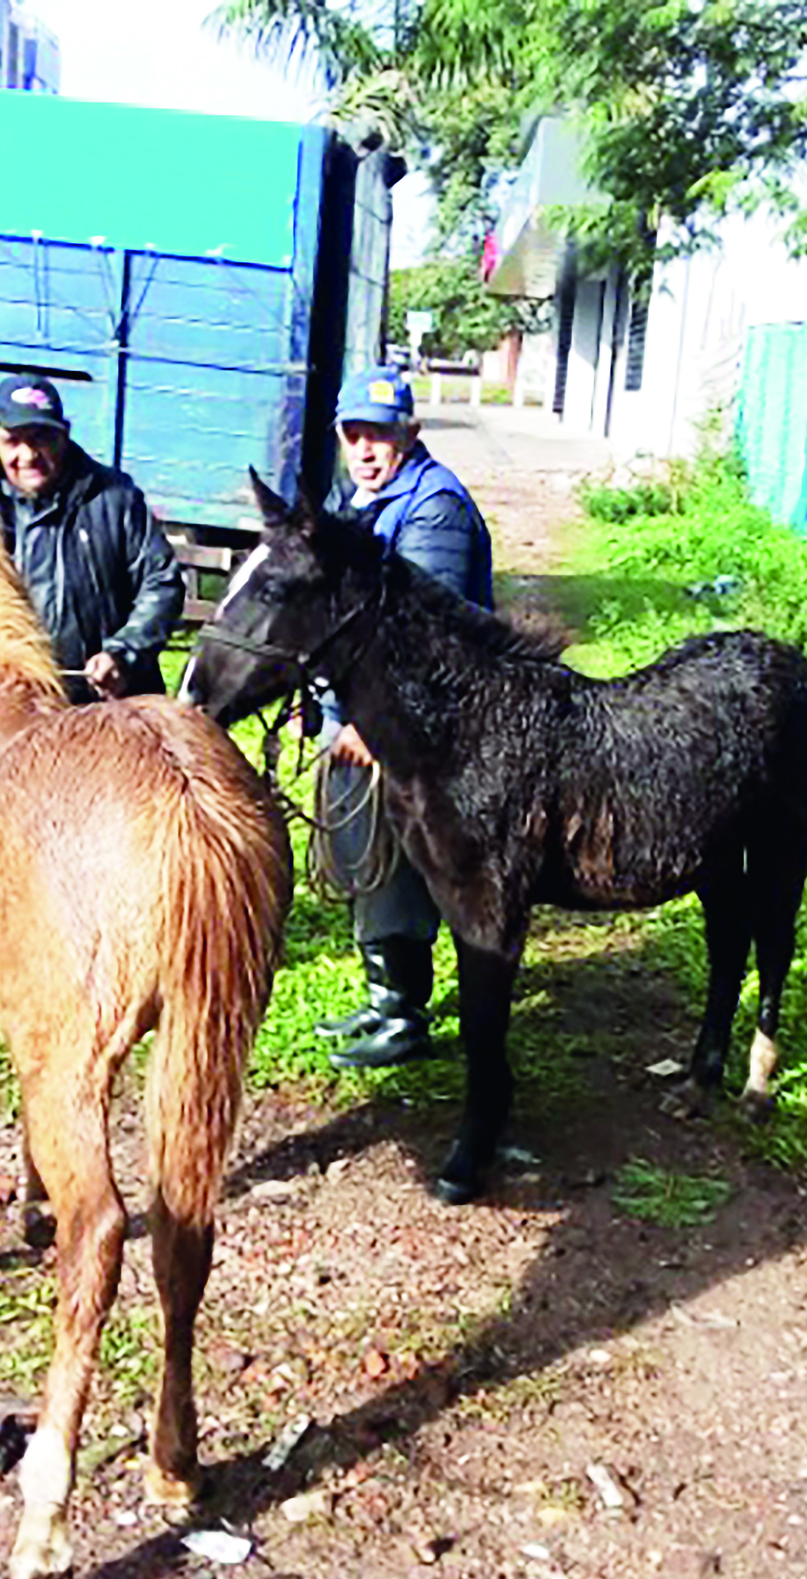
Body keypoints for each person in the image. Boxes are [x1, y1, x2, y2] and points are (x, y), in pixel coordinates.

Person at [315, 364, 494, 1068]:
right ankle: (379, 993)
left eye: (380, 435)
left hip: (412, 723)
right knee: (362, 851)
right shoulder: (353, 498)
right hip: (354, 710)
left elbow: (424, 633)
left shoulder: (434, 507)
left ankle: (404, 1014)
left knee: (400, 862)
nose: (365, 449)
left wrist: (373, 720)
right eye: (354, 433)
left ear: (409, 435)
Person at [0, 374, 183, 747]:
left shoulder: (115, 497)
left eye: (42, 439)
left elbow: (162, 583)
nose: (27, 456)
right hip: (0, 719)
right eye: (12, 441)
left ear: (65, 435)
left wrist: (123, 653)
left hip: (104, 712)